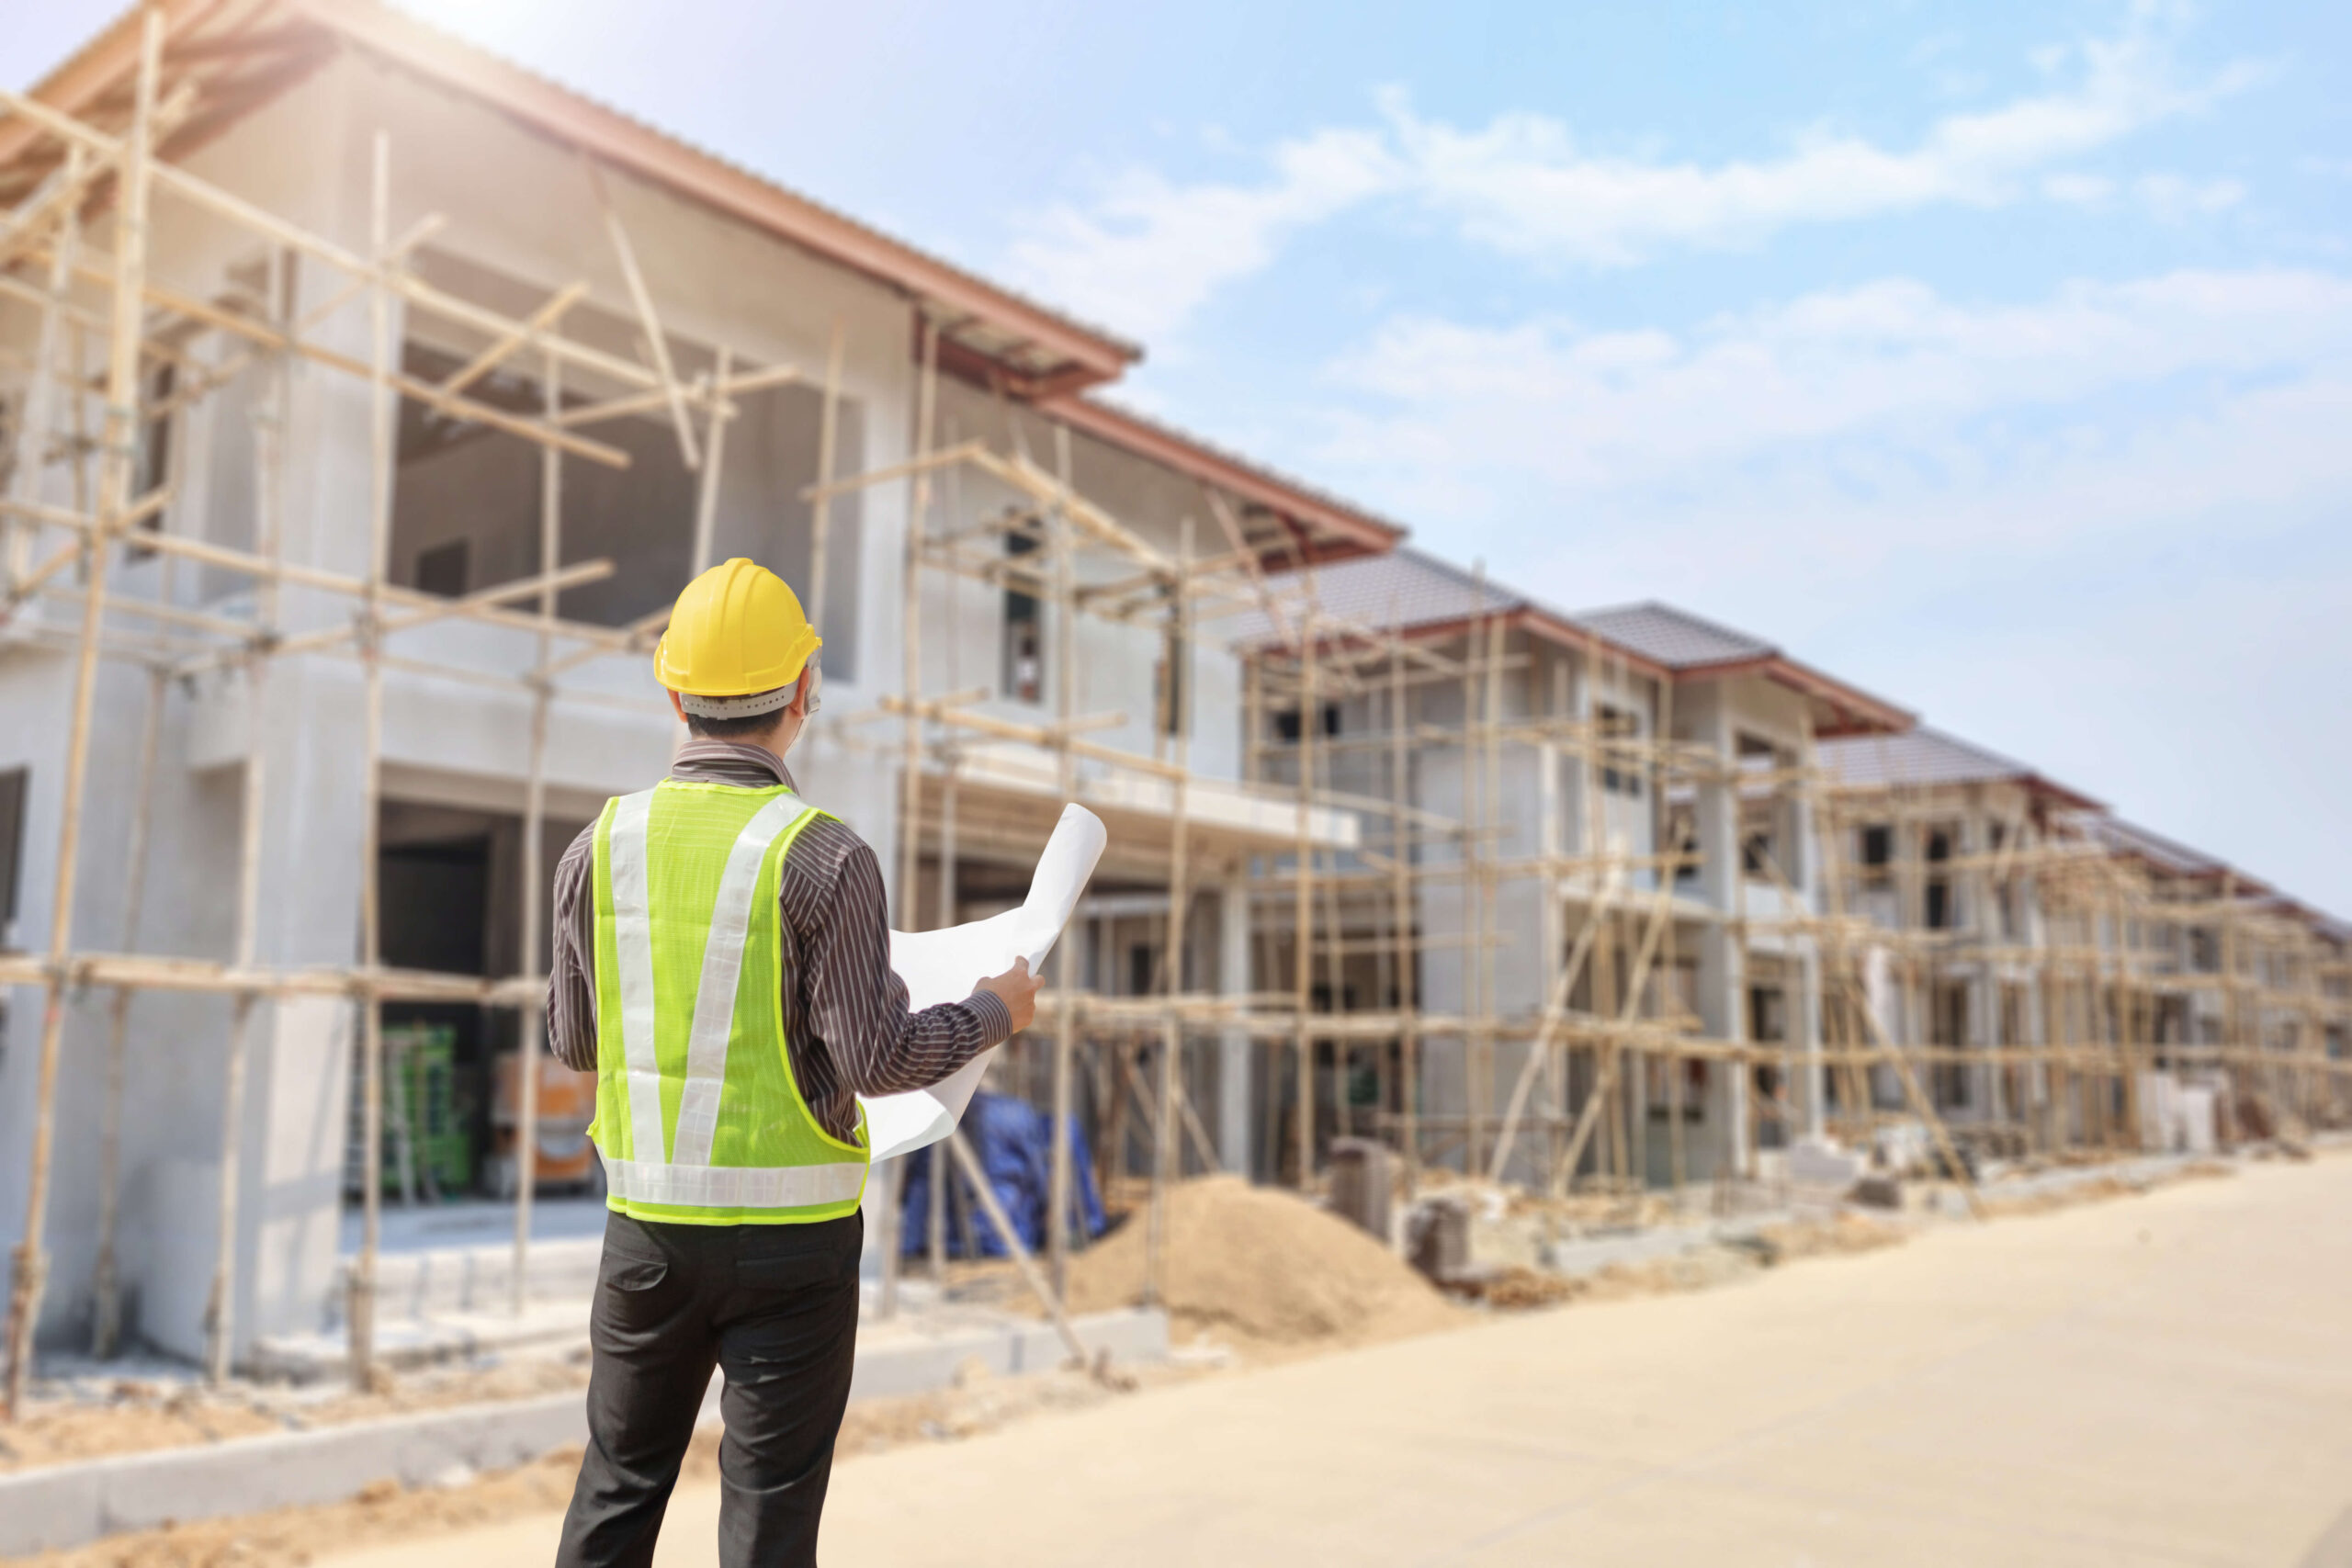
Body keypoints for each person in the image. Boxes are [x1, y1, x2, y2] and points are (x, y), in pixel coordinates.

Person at [545, 558, 1041, 1568]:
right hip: (794, 1251)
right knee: (769, 1517)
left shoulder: (598, 847)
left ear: (674, 694)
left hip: (646, 1237)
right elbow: (878, 1054)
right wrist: (993, 1010)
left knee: (617, 1488)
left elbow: (576, 1043)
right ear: (804, 694)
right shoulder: (826, 856)